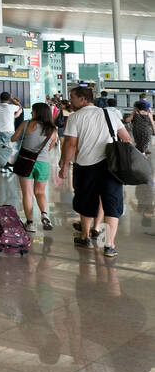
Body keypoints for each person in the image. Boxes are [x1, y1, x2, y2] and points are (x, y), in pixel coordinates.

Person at [61, 84, 130, 258]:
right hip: (111, 167)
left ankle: (85, 237)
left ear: (83, 99)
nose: (71, 100)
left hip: (86, 166)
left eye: (73, 97)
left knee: (86, 201)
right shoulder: (110, 114)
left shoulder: (76, 117)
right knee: (112, 205)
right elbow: (126, 138)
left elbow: (70, 144)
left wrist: (63, 165)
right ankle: (109, 245)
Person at [10, 102, 58, 232]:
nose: (31, 113)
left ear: (38, 112)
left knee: (27, 193)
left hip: (26, 161)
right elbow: (49, 148)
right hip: (43, 163)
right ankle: (44, 214)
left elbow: (13, 138)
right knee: (40, 192)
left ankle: (30, 223)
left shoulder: (26, 124)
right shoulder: (53, 130)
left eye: (33, 111)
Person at [0, 91, 22, 174]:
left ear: (0, 98)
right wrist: (12, 99)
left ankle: (3, 167)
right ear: (8, 99)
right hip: (9, 132)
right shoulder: (12, 107)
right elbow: (20, 106)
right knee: (9, 150)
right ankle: (9, 166)